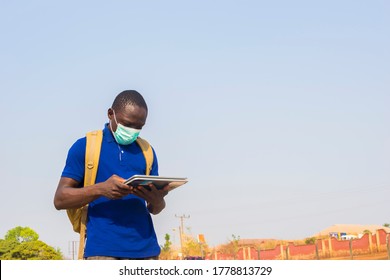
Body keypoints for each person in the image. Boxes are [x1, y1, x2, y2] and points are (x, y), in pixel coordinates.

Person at [54, 90, 167, 260]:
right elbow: (60, 199)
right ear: (110, 114)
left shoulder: (147, 151)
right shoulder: (85, 147)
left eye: (139, 127)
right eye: (127, 124)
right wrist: (101, 189)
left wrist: (158, 201)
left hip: (147, 252)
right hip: (102, 253)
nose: (132, 131)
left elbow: (154, 209)